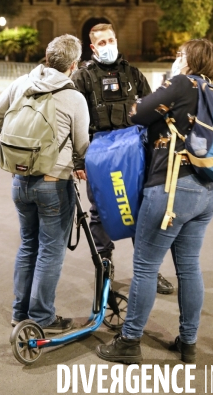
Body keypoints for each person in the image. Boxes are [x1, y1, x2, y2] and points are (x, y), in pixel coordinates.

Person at [96, 38, 213, 364]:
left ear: (190, 60)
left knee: (145, 267)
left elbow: (138, 113)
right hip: (207, 192)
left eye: (181, 54)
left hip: (171, 188)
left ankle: (129, 341)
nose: (177, 58)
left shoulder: (181, 83)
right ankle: (188, 343)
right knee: (190, 268)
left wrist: (170, 78)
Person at [0, 34, 89, 332]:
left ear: (46, 56)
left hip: (20, 180)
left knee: (28, 245)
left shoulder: (22, 83)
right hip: (53, 183)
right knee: (50, 250)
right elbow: (83, 147)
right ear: (74, 65)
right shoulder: (74, 97)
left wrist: (15, 139)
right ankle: (41, 317)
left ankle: (20, 313)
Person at [72, 23, 174, 295]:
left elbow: (153, 111)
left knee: (141, 209)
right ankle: (104, 265)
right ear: (92, 47)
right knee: (101, 211)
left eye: (111, 40)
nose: (108, 46)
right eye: (101, 43)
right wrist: (78, 161)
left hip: (133, 155)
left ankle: (149, 270)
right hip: (99, 156)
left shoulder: (132, 74)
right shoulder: (82, 78)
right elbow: (73, 122)